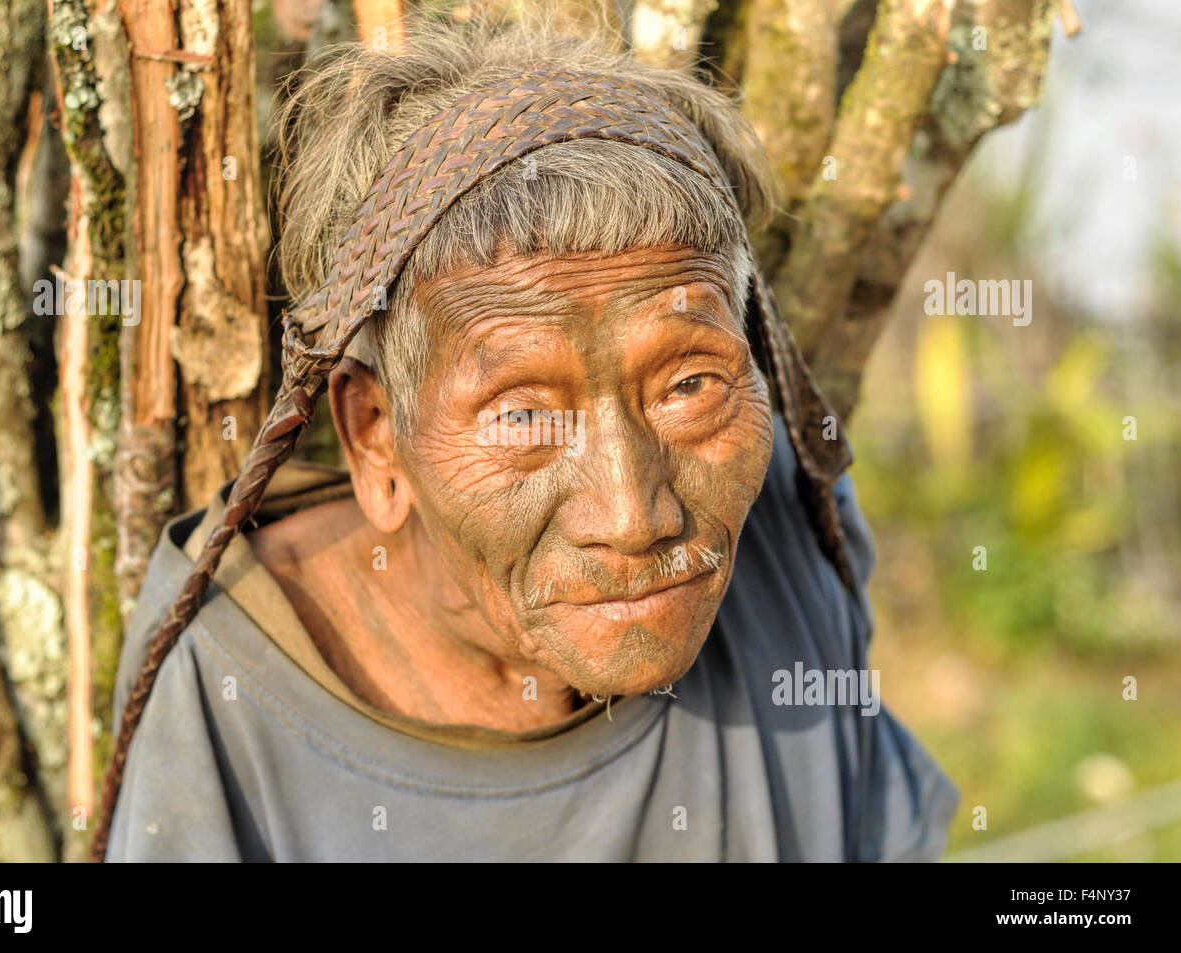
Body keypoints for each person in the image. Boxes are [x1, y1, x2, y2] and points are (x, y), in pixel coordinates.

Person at [99, 19, 958, 862]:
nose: (633, 514)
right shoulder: (234, 689)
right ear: (376, 440)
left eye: (689, 385)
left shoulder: (787, 528)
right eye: (524, 416)